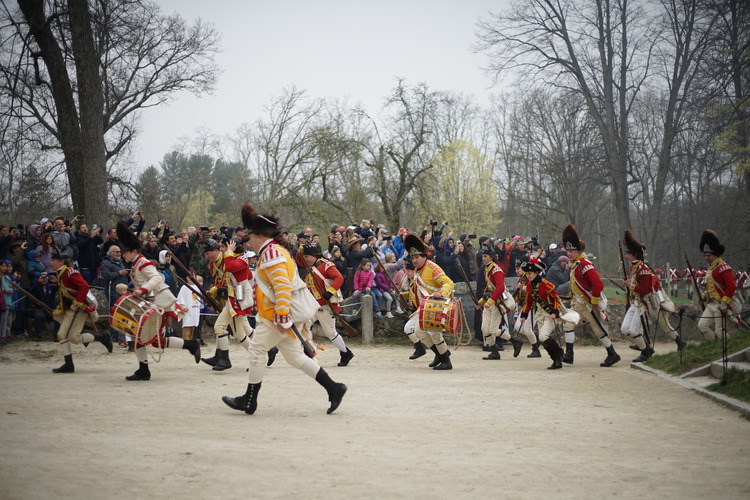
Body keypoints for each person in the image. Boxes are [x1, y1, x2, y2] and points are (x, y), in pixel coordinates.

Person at [222, 203, 347, 415]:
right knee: (295, 357)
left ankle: (249, 401)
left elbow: (281, 287)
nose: (248, 241)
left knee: (257, 350)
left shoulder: (271, 254)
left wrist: (281, 315)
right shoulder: (274, 251)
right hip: (281, 315)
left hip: (277, 316)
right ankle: (334, 388)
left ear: (260, 236)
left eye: (249, 237)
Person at [115, 222, 200, 381]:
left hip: (160, 303)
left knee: (152, 341)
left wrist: (142, 290)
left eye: (125, 252)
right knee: (140, 337)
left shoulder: (143, 263)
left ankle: (191, 345)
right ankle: (143, 370)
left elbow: (157, 277)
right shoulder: (136, 263)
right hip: (152, 303)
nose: (123, 255)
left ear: (133, 251)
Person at [620, 230, 686, 362]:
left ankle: (648, 349)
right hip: (638, 302)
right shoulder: (635, 268)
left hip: (649, 302)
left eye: (628, 253)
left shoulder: (643, 269)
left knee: (663, 325)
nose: (626, 256)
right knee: (627, 329)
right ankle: (645, 346)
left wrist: (630, 286)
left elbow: (646, 289)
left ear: (635, 255)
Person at [562, 224, 620, 367]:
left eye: (571, 251)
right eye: (567, 251)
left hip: (588, 304)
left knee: (598, 330)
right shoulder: (575, 264)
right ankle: (569, 354)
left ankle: (612, 353)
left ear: (578, 251)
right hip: (578, 303)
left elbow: (598, 284)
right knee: (568, 324)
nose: (568, 253)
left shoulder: (584, 264)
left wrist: (594, 302)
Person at [48, 251, 112, 373]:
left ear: (61, 262)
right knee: (66, 336)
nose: (51, 262)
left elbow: (84, 287)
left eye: (53, 260)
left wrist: (76, 304)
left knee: (69, 337)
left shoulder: (70, 272)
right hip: (69, 307)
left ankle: (102, 337)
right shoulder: (61, 273)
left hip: (78, 308)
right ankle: (69, 364)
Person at [200, 238, 255, 371]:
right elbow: (225, 279)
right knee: (239, 332)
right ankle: (255, 357)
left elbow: (230, 267)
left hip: (239, 298)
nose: (223, 249)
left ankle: (226, 359)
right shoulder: (231, 258)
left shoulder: (241, 258)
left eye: (225, 247)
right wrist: (214, 291)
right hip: (233, 297)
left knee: (226, 329)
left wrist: (229, 252)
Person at [402, 234, 455, 370]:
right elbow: (418, 291)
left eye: (417, 257)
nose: (414, 260)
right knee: (419, 332)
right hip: (425, 308)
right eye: (412, 258)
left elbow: (449, 283)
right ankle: (440, 354)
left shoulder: (432, 268)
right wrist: (407, 295)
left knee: (436, 335)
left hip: (436, 306)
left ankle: (446, 361)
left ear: (424, 257)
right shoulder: (417, 271)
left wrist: (440, 293)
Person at [299, 243, 354, 366]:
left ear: (313, 255)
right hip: (313, 305)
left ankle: (345, 353)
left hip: (325, 305)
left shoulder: (325, 265)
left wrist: (330, 292)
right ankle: (309, 352)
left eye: (307, 256)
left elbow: (339, 278)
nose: (305, 259)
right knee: (305, 327)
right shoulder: (309, 268)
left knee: (330, 333)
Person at [518, 257, 567, 370]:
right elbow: (528, 302)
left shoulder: (546, 284)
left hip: (549, 314)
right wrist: (524, 316)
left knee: (543, 337)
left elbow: (556, 299)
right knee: (542, 338)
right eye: (527, 273)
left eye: (530, 273)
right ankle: (556, 360)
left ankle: (559, 353)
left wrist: (555, 312)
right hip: (539, 314)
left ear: (536, 273)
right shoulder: (530, 286)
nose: (528, 276)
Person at [477, 247, 523, 360]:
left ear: (491, 257)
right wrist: (482, 301)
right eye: (483, 256)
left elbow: (500, 288)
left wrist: (491, 301)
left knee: (493, 329)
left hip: (497, 303)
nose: (483, 258)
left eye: (485, 256)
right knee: (485, 329)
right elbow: (488, 288)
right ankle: (494, 352)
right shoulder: (487, 269)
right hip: (490, 302)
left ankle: (515, 341)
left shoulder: (496, 270)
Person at [697, 230, 738, 341]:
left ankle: (726, 351)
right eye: (705, 255)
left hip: (721, 305)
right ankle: (715, 346)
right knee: (702, 326)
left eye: (709, 255)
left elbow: (732, 286)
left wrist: (725, 303)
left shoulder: (723, 267)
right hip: (712, 304)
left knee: (720, 332)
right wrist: (705, 296)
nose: (707, 258)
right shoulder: (710, 268)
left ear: (715, 254)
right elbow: (710, 287)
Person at [176, 275, 203, 341]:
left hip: (195, 309)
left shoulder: (196, 287)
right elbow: (180, 298)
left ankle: (191, 340)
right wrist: (183, 306)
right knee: (187, 324)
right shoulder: (184, 287)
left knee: (194, 324)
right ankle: (186, 340)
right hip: (188, 308)